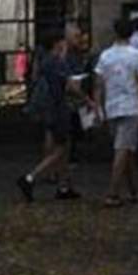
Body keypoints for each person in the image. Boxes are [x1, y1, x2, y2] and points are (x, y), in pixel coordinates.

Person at [17, 27, 87, 201]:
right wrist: (88, 100)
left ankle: (63, 186)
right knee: (60, 149)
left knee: (64, 146)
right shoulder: (56, 62)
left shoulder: (47, 61)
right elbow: (71, 86)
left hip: (51, 108)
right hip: (59, 108)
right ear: (58, 43)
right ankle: (30, 177)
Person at [93, 18, 138, 207]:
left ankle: (135, 190)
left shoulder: (105, 56)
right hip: (131, 106)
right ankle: (112, 192)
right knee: (123, 149)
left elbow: (98, 85)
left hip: (112, 106)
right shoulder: (137, 56)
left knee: (126, 149)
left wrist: (98, 107)